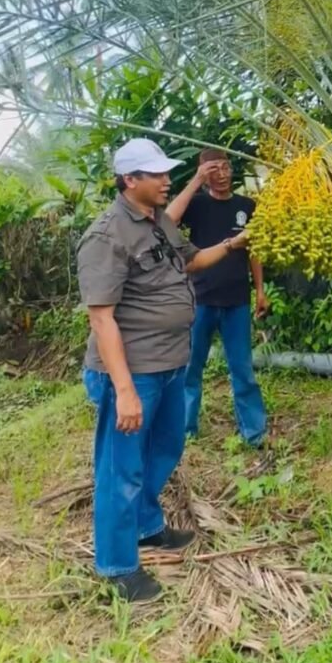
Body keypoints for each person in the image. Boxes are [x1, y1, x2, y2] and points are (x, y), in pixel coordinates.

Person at [77, 137, 248, 604]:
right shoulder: (107, 236)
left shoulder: (159, 222)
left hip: (171, 363)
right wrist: (124, 390)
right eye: (156, 174)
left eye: (166, 172)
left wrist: (234, 243)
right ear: (129, 180)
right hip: (134, 372)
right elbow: (101, 319)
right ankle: (117, 565)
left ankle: (147, 526)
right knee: (121, 469)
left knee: (165, 447)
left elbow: (193, 262)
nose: (167, 180)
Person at [166, 148, 268, 446]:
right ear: (203, 174)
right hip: (200, 299)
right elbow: (167, 223)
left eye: (225, 167)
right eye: (213, 170)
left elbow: (255, 250)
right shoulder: (196, 204)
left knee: (243, 370)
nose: (222, 175)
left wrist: (260, 291)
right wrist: (196, 180)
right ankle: (185, 430)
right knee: (191, 368)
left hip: (237, 300)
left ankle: (254, 433)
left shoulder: (247, 206)